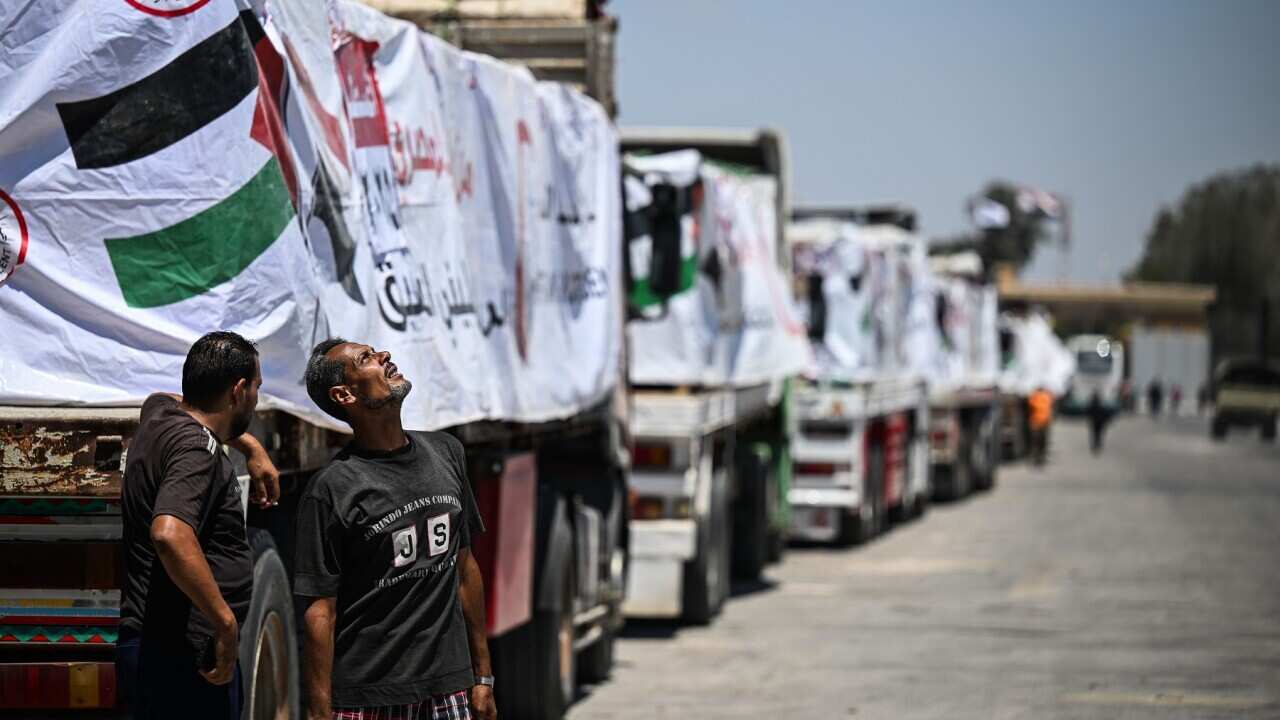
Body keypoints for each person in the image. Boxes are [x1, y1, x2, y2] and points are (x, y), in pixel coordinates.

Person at [297, 339, 496, 720]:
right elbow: (320, 609)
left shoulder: (447, 453)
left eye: (377, 352)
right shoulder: (332, 489)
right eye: (366, 359)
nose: (384, 356)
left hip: (448, 690)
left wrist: (482, 676)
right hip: (366, 699)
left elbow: (465, 570)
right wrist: (319, 709)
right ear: (344, 394)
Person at [117, 331, 280, 720]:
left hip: (155, 648)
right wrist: (223, 622)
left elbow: (161, 396)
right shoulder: (197, 449)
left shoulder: (160, 417)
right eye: (256, 387)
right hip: (182, 658)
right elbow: (170, 533)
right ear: (238, 390)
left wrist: (250, 446)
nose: (256, 400)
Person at [1027, 387, 1053, 466]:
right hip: (1043, 421)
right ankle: (1040, 457)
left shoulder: (1035, 396)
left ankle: (1038, 457)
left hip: (1037, 421)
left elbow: (1030, 405)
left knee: (1037, 441)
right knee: (1041, 441)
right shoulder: (1047, 396)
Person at [1087, 390, 1110, 454]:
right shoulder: (1101, 405)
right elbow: (1105, 414)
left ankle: (1095, 445)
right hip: (1099, 422)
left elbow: (1088, 413)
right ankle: (1097, 445)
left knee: (1094, 434)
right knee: (1098, 434)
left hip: (1094, 422)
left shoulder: (1091, 405)